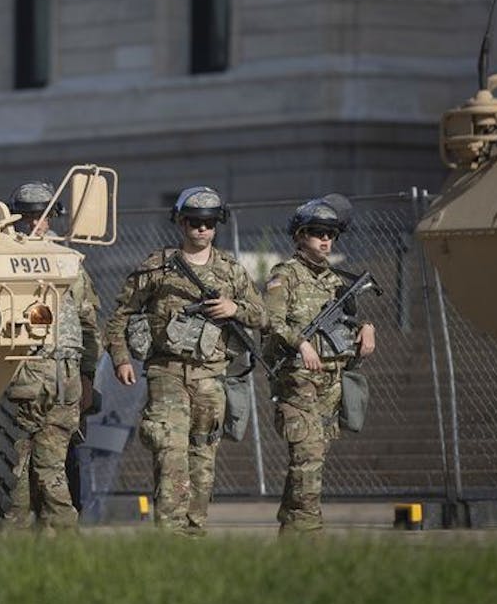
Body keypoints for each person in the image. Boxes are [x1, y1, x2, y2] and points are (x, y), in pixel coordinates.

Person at [104, 186, 265, 533]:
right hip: (167, 373)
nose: (201, 228)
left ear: (216, 224)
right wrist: (121, 359)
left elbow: (262, 314)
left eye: (208, 222)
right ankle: (171, 535)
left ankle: (194, 533)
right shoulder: (158, 266)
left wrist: (234, 308)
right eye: (194, 221)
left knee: (203, 460)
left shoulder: (231, 271)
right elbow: (121, 315)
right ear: (181, 222)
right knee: (170, 452)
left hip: (210, 376)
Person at [262, 195, 376, 534]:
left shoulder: (335, 280)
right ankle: (310, 536)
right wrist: (301, 343)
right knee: (307, 457)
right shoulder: (285, 276)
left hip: (331, 379)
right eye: (317, 233)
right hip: (297, 379)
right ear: (300, 236)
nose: (326, 240)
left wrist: (366, 328)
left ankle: (292, 535)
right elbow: (270, 321)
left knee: (311, 462)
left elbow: (346, 322)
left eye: (331, 234)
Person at [1, 180, 101, 530]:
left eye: (41, 216)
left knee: (52, 469)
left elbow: (89, 325)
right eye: (26, 216)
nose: (34, 223)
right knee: (15, 475)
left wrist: (88, 376)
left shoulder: (70, 266)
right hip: (16, 384)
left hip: (63, 382)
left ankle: (59, 544)